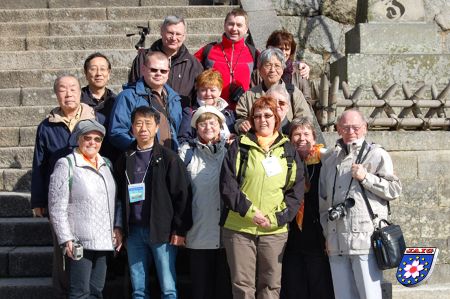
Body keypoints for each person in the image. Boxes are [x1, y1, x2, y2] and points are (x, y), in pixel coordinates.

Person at [220, 96, 304, 299]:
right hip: (240, 227)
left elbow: (296, 190)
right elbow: (227, 185)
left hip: (274, 228)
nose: (262, 120)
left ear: (276, 118)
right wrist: (250, 212)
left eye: (267, 115)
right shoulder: (239, 146)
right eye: (257, 116)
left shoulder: (288, 150)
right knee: (242, 286)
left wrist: (276, 218)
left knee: (271, 285)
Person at [318, 109, 402, 299]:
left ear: (364, 128)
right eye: (345, 127)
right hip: (335, 241)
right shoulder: (330, 160)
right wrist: (326, 233)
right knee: (343, 296)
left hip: (365, 240)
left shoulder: (376, 154)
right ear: (338, 129)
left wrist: (366, 178)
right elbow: (323, 204)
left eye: (355, 127)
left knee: (369, 295)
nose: (351, 132)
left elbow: (394, 189)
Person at [30, 75, 99, 298]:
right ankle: (64, 293)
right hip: (60, 198)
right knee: (63, 251)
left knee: (90, 250)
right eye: (62, 89)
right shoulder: (47, 126)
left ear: (81, 92)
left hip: (91, 197)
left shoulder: (96, 119)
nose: (68, 94)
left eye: (72, 89)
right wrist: (39, 200)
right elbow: (39, 164)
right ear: (56, 94)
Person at [114, 106, 192, 299]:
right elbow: (117, 196)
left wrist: (179, 230)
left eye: (148, 124)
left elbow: (182, 196)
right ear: (132, 128)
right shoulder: (125, 158)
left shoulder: (169, 158)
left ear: (157, 127)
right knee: (138, 289)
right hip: (133, 231)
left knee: (168, 287)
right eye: (138, 123)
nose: (143, 128)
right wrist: (119, 227)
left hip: (161, 231)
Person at [48, 119, 120, 299]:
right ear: (78, 139)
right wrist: (66, 239)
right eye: (87, 137)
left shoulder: (106, 164)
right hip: (80, 241)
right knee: (79, 293)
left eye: (97, 139)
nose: (92, 143)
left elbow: (116, 200)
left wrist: (117, 228)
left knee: (96, 291)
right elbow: (57, 207)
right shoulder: (66, 164)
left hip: (104, 240)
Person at [179, 105, 232, 299]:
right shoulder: (186, 152)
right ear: (196, 127)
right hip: (198, 232)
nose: (208, 127)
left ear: (220, 126)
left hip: (227, 234)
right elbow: (180, 192)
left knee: (224, 290)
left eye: (212, 123)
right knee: (201, 291)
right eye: (203, 123)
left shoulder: (231, 150)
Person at [280, 117, 334, 299]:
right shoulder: (285, 161)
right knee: (295, 287)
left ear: (314, 137)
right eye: (296, 134)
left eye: (306, 134)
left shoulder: (325, 160)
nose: (301, 138)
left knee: (319, 285)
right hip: (292, 235)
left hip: (317, 233)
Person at [109, 51, 182, 152]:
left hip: (169, 159)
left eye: (163, 71)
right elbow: (117, 133)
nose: (158, 74)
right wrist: (142, 150)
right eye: (153, 70)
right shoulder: (127, 96)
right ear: (143, 69)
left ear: (168, 73)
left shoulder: (175, 99)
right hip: (141, 160)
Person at [128, 15, 203, 107]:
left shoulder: (193, 64)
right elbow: (132, 89)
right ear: (162, 32)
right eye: (170, 33)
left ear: (184, 36)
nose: (174, 38)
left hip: (181, 118)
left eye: (178, 34)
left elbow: (198, 98)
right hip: (147, 116)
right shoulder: (143, 58)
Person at [235, 47, 312, 134]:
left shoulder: (294, 93)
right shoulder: (248, 96)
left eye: (277, 65)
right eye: (268, 65)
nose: (272, 70)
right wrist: (241, 124)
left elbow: (305, 119)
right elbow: (239, 119)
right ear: (259, 70)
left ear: (282, 70)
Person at [252, 29, 311, 103]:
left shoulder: (300, 72)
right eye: (280, 48)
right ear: (270, 48)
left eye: (287, 49)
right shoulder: (258, 73)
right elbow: (252, 98)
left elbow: (307, 100)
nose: (283, 53)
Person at [178, 69, 236, 143]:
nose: (208, 94)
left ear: (220, 91)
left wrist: (234, 140)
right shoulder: (190, 112)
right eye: (203, 90)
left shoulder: (229, 114)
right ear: (197, 92)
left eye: (212, 90)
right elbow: (182, 140)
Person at [81, 52, 119, 162]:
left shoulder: (116, 102)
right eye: (93, 69)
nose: (98, 73)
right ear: (85, 73)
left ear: (109, 73)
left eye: (103, 69)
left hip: (111, 159)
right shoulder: (77, 101)